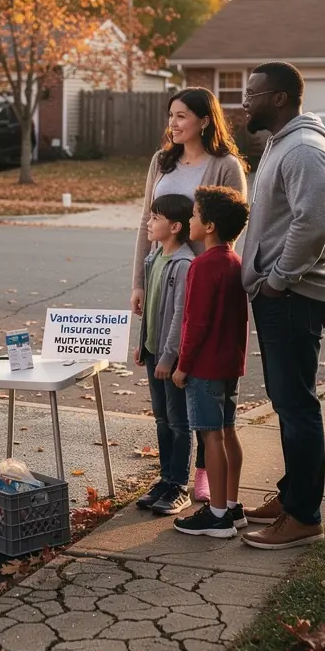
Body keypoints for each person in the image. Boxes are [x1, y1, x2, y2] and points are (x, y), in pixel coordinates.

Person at [238, 61, 325, 551]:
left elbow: (311, 225)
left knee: (296, 404)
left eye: (253, 92)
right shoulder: (283, 143)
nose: (245, 100)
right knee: (287, 401)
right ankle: (292, 495)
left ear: (279, 98)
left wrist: (278, 280)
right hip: (283, 294)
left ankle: (303, 516)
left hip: (295, 295)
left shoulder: (303, 149)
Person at [131, 87, 247, 503]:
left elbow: (233, 225)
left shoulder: (225, 165)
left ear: (204, 119)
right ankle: (174, 474)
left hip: (201, 285)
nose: (174, 123)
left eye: (182, 116)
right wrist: (139, 282)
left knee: (193, 380)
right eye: (171, 115)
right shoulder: (161, 162)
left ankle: (201, 473)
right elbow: (147, 221)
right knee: (166, 384)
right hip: (163, 278)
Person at [172, 186, 250, 539]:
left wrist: (182, 365)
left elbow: (196, 322)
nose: (190, 219)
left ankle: (217, 515)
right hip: (229, 364)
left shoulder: (204, 266)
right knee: (228, 430)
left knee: (211, 436)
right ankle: (232, 505)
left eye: (195, 214)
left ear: (210, 225)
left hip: (204, 366)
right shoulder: (235, 263)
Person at [133, 193, 195, 516]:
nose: (149, 222)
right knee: (161, 418)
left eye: (155, 218)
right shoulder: (154, 259)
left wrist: (170, 357)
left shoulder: (183, 264)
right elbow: (152, 310)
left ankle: (179, 485)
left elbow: (179, 315)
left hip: (171, 360)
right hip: (154, 354)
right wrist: (143, 345)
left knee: (178, 421)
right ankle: (165, 477)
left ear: (174, 226)